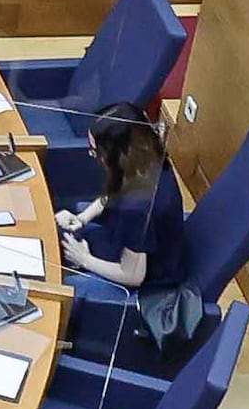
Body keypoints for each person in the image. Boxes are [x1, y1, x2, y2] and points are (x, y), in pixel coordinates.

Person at [57, 109, 183, 296]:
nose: (92, 155)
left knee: (61, 285)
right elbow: (111, 195)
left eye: (94, 150)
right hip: (119, 242)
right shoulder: (148, 159)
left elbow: (133, 276)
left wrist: (85, 259)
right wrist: (82, 218)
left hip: (144, 281)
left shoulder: (137, 208)